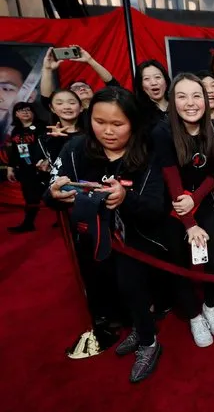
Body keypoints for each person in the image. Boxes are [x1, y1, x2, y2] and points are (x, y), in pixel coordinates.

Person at [46, 86, 165, 382]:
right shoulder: (76, 148)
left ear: (133, 124)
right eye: (100, 122)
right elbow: (48, 194)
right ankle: (137, 327)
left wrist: (126, 198)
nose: (108, 132)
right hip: (89, 238)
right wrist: (55, 194)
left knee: (131, 285)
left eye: (118, 124)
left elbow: (154, 207)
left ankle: (149, 342)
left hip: (134, 239)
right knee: (106, 289)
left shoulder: (147, 153)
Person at [153, 73, 214, 347]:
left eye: (197, 96)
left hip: (203, 201)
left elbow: (212, 176)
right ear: (173, 101)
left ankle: (210, 305)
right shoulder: (162, 132)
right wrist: (189, 224)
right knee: (180, 265)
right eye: (182, 96)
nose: (191, 103)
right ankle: (194, 315)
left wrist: (194, 199)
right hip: (174, 209)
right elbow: (172, 181)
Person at [6, 102, 48, 233]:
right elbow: (14, 151)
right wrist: (10, 167)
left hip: (44, 167)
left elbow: (51, 146)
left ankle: (64, 220)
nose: (25, 112)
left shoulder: (43, 127)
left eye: (28, 109)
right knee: (30, 196)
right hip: (25, 168)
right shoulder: (16, 131)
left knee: (52, 194)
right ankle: (28, 223)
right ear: (16, 114)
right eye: (21, 110)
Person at [40, 45, 120, 111]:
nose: (82, 89)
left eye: (85, 87)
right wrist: (47, 69)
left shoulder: (104, 107)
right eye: (76, 88)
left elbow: (114, 87)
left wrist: (90, 60)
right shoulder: (67, 113)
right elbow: (47, 101)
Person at [134, 60, 171, 126]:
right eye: (147, 79)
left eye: (157, 77)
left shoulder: (177, 105)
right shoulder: (138, 112)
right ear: (141, 86)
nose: (154, 83)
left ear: (166, 82)